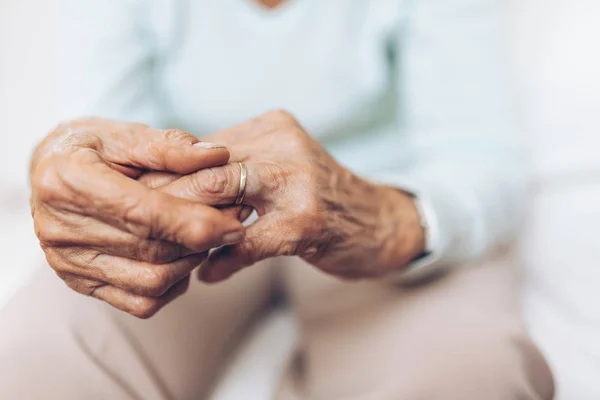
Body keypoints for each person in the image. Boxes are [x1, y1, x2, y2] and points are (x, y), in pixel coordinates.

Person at [0, 0, 554, 399]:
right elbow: (91, 129)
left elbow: (481, 157)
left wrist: (390, 222)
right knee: (33, 364)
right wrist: (70, 175)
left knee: (470, 377)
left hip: (379, 208)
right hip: (177, 221)